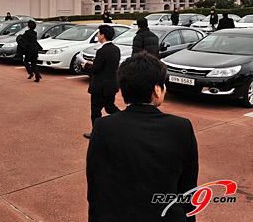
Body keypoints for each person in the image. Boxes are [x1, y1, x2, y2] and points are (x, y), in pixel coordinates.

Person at [87, 52, 198, 221]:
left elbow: (96, 185)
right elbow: (188, 188)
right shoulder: (182, 127)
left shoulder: (104, 127)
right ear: (157, 89)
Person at [81, 25, 121, 139]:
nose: (98, 35)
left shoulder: (102, 51)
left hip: (100, 86)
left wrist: (86, 66)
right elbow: (108, 66)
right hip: (111, 84)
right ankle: (124, 117)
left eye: (98, 33)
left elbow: (96, 70)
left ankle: (96, 133)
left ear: (102, 36)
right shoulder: (115, 49)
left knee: (96, 111)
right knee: (110, 107)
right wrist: (93, 64)